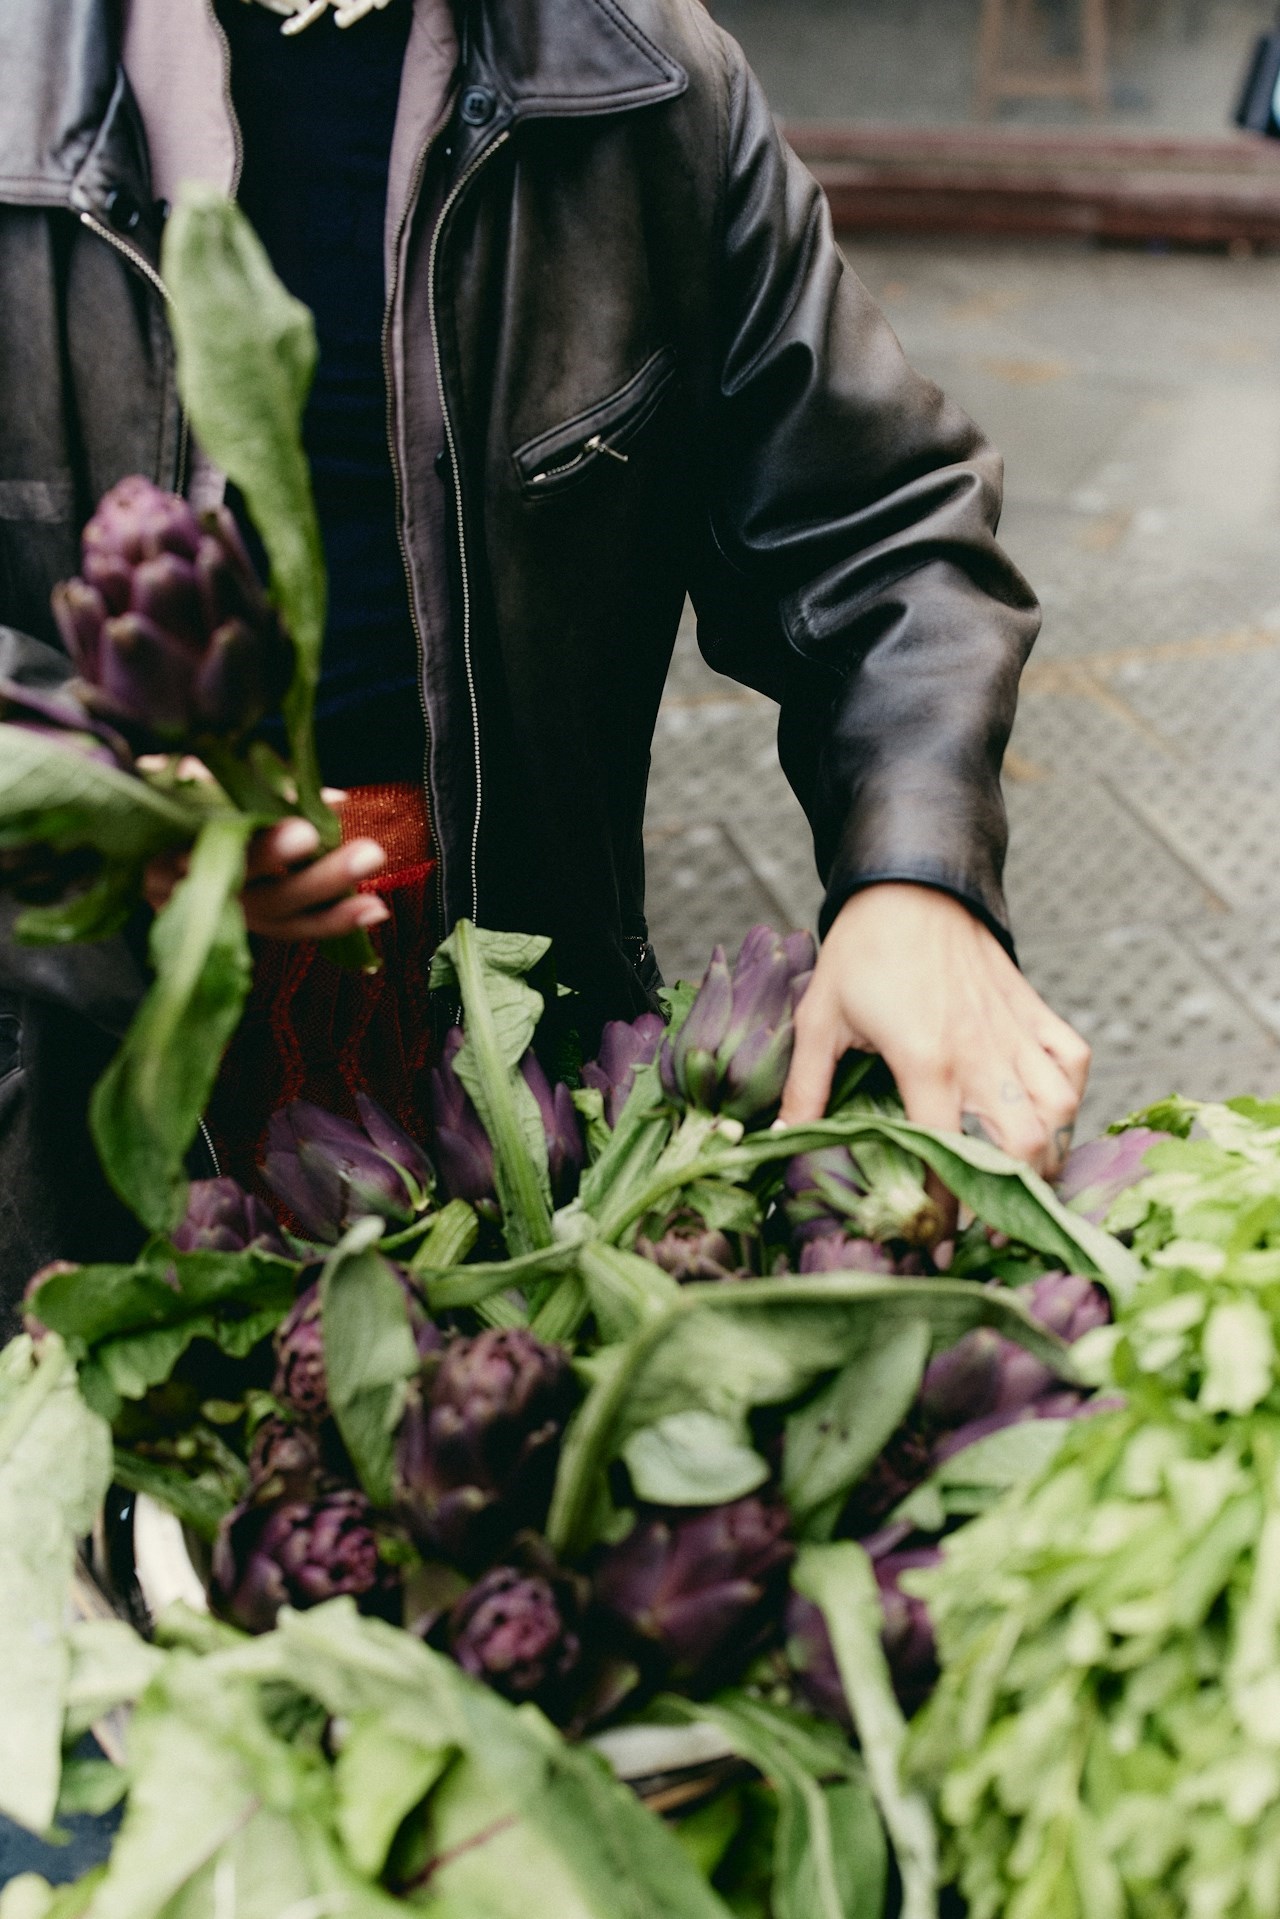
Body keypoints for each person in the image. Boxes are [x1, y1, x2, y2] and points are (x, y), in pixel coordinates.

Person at [0, 0, 1089, 1315]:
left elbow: (880, 528)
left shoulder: (652, 79)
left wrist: (916, 875)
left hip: (531, 1107)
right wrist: (92, 815)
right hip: (63, 1105)